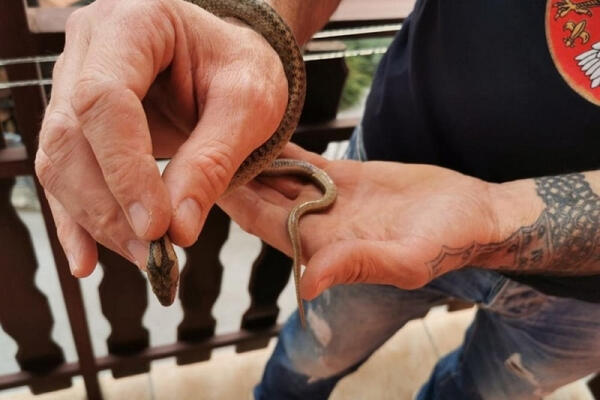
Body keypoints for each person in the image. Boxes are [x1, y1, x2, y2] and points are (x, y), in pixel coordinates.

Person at [35, 0, 600, 398]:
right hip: (380, 195)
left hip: (586, 304)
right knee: (308, 359)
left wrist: (496, 214)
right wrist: (250, 35)